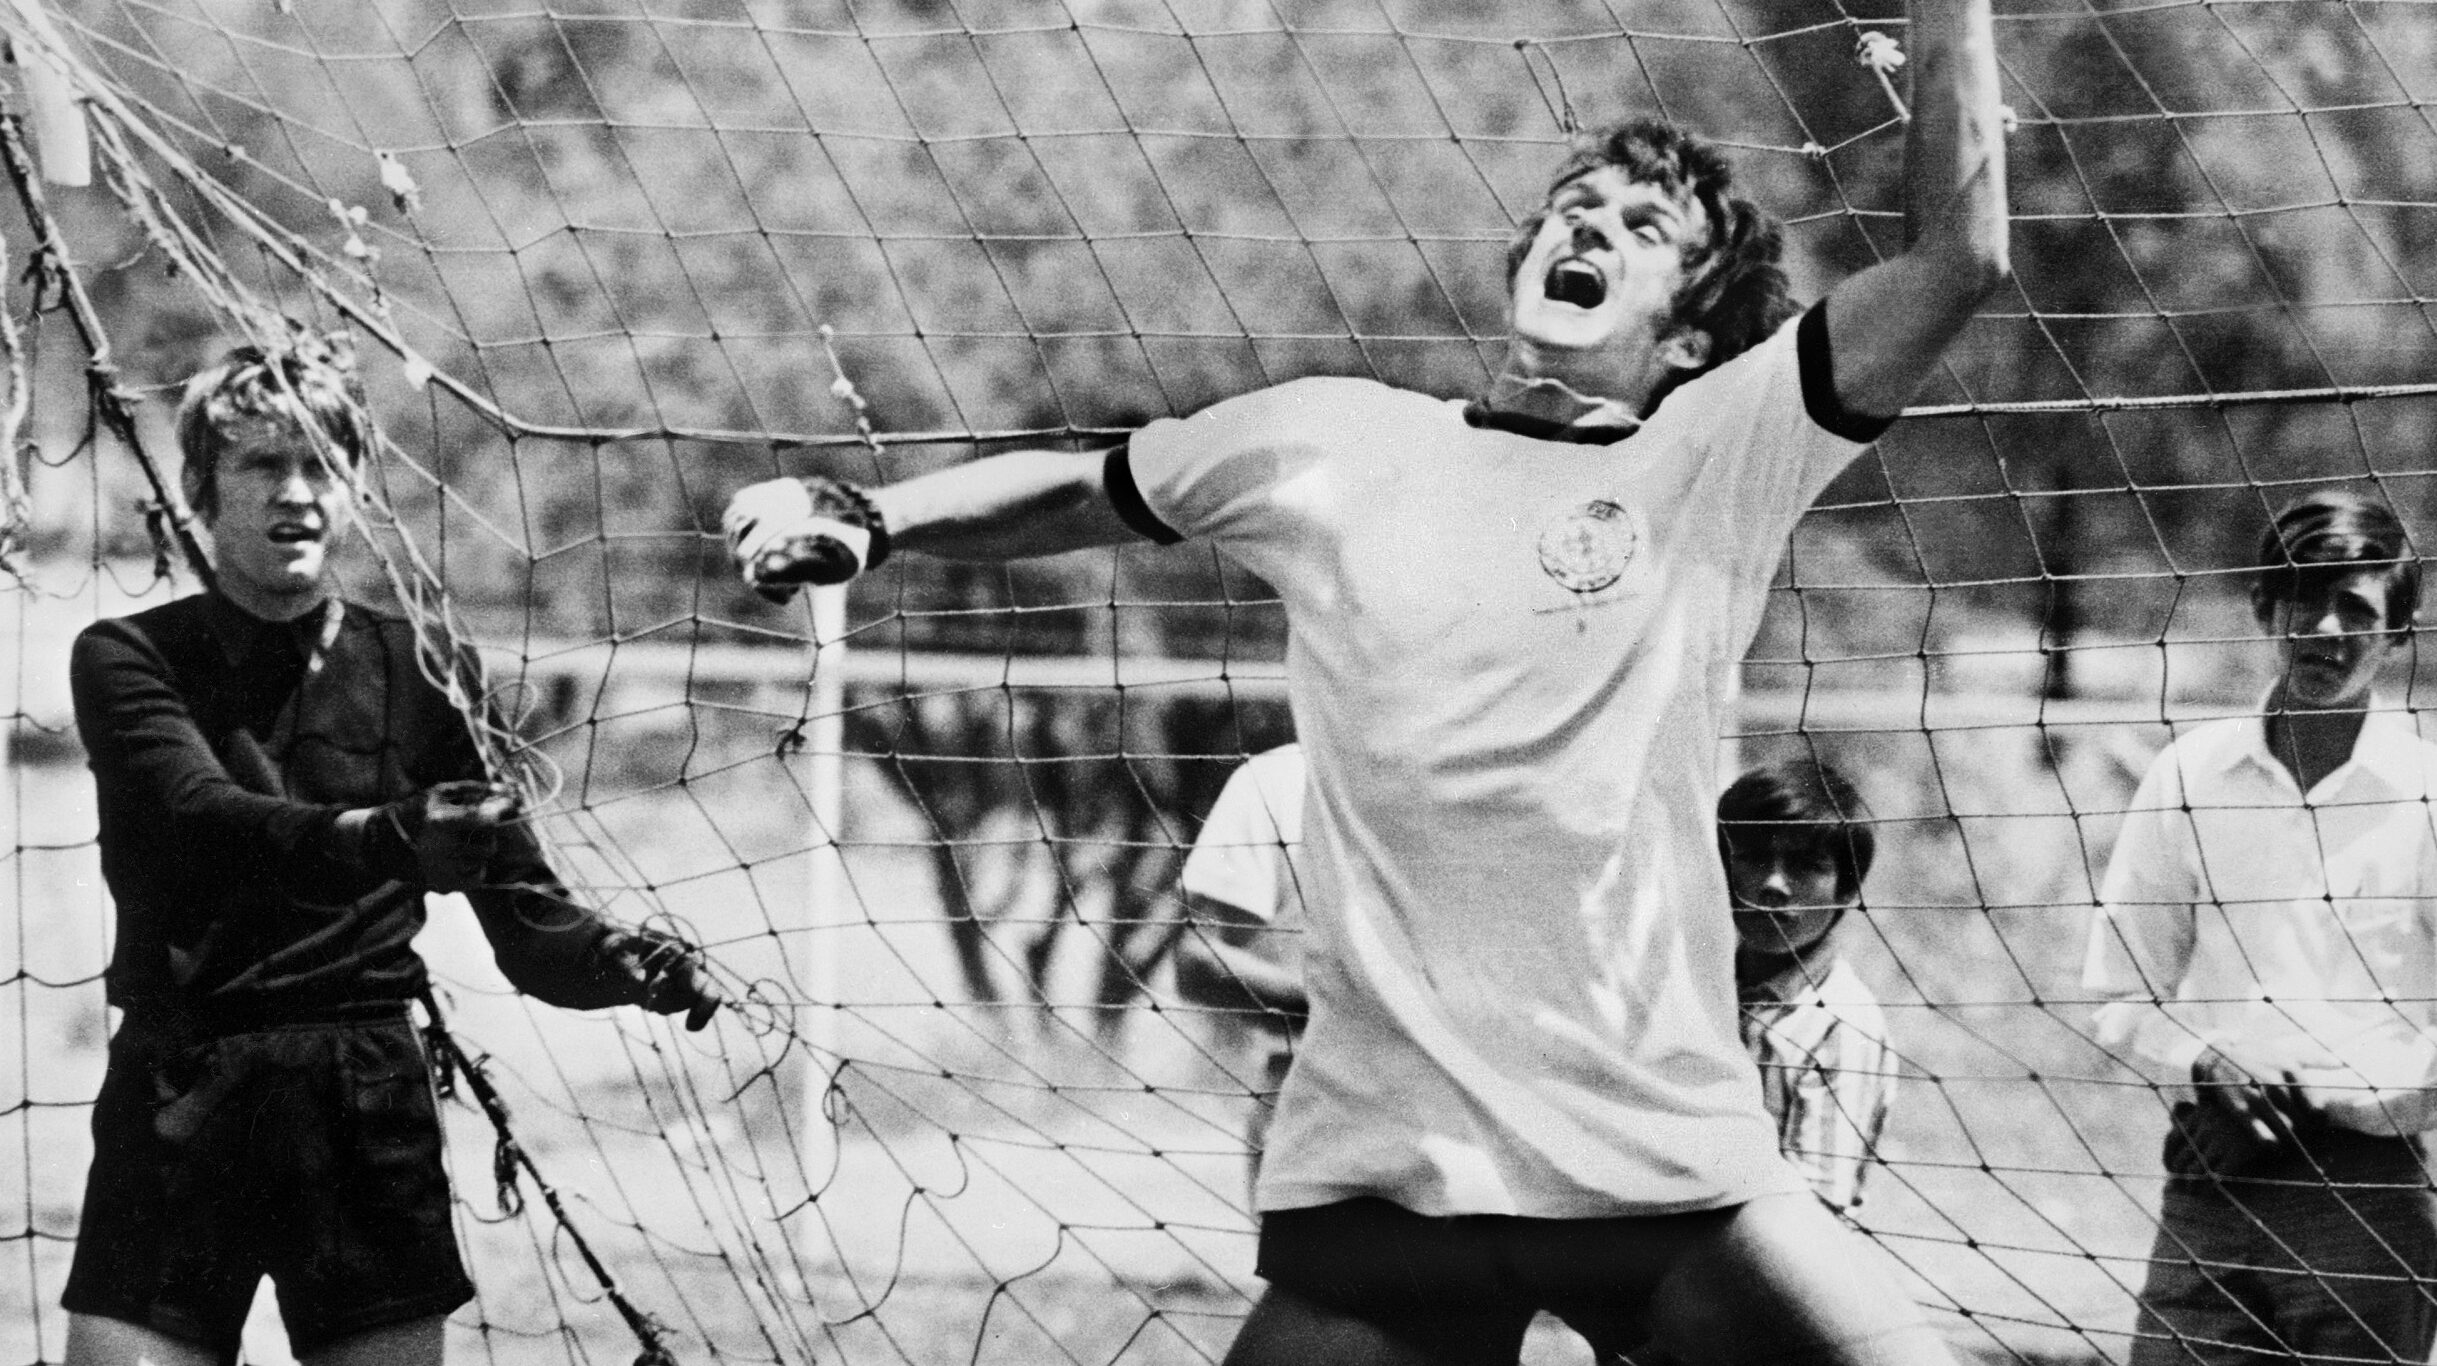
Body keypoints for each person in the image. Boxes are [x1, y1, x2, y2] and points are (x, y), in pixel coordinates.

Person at [722, 0, 2007, 1352]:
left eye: (1640, 230)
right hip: (1403, 1157)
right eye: (1576, 205)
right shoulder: (1334, 440)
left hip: (1645, 1143)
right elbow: (1088, 487)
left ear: (1690, 337)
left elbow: (1960, 255)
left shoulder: (1716, 450)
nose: (1588, 230)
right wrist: (875, 513)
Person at [60, 335, 725, 1366]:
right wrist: (391, 837)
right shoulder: (129, 656)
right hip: (182, 1081)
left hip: (364, 1099)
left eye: (322, 464)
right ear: (201, 486)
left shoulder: (424, 666)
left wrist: (617, 962)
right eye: (262, 463)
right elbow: (204, 814)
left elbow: (527, 921)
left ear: (356, 486)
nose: (298, 493)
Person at [2083, 488, 2437, 1366]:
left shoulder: (2426, 794)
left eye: (2354, 607)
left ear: (2399, 632)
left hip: (2369, 1199)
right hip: (2212, 1175)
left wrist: (2362, 1099)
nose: (2322, 628)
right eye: (2299, 597)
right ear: (2262, 606)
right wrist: (2208, 1060)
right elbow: (2121, 991)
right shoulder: (2187, 774)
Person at [1721, 759, 1898, 1217]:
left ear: (1846, 890)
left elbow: (1820, 1206)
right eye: (1755, 858)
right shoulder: (1701, 982)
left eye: (1804, 866)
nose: (1774, 884)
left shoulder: (1840, 1020)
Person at [1172, 743, 1311, 1192]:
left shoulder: (1506, 772)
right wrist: (1347, 1013)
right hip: (1313, 1092)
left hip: (1480, 1096)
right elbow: (1199, 962)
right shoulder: (1279, 780)